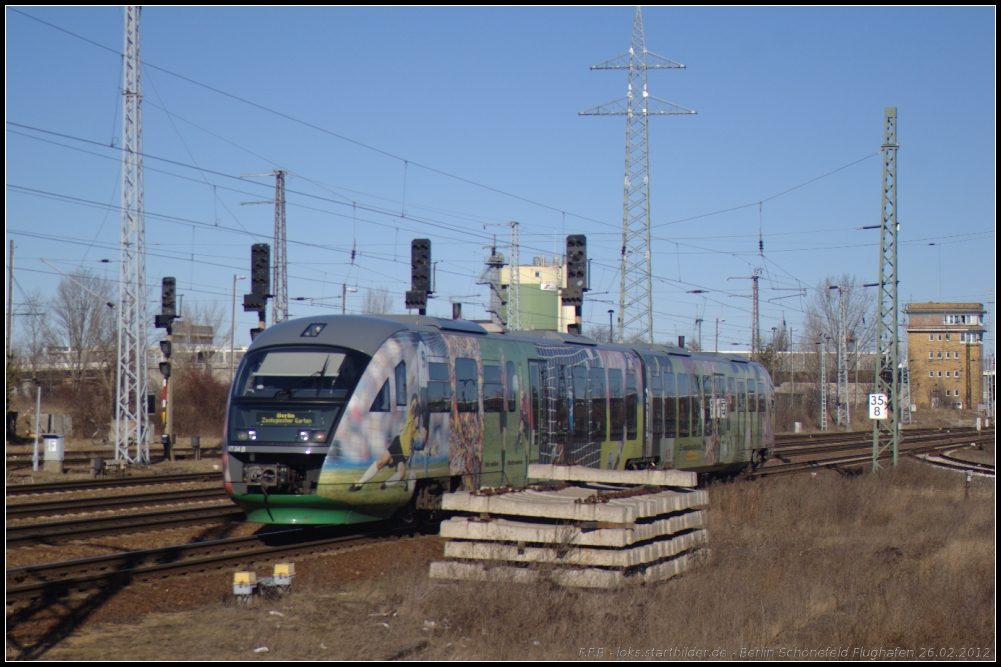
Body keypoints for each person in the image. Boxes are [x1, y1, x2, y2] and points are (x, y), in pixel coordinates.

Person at [348, 395, 425, 491]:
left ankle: (385, 485)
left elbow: (418, 446)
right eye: (417, 416)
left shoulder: (417, 432)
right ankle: (360, 483)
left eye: (419, 416)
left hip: (403, 455)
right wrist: (418, 403)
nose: (418, 419)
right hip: (398, 444)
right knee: (381, 462)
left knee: (401, 474)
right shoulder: (411, 418)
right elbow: (413, 402)